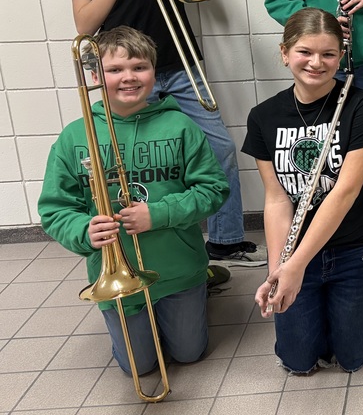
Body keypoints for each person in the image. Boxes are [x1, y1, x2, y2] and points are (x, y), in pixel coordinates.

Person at [61, 0, 264, 267]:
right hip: (129, 73)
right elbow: (85, 23)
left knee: (220, 149)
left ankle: (225, 242)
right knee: (147, 162)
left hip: (180, 63)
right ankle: (159, 248)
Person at [38, 27, 230, 376]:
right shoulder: (73, 137)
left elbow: (214, 190)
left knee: (189, 353)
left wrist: (158, 214)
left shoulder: (181, 126)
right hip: (115, 274)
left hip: (178, 270)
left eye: (139, 67)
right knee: (138, 368)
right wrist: (83, 229)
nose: (128, 77)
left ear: (154, 73)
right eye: (115, 70)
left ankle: (199, 294)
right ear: (96, 76)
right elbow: (55, 209)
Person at [245, 8, 363, 374]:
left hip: (353, 249)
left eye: (329, 54)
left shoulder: (362, 106)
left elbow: (345, 192)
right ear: (284, 53)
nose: (316, 63)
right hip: (295, 255)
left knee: (354, 356)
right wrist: (278, 269)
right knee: (298, 360)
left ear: (341, 56)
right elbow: (277, 200)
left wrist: (295, 265)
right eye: (305, 52)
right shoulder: (263, 116)